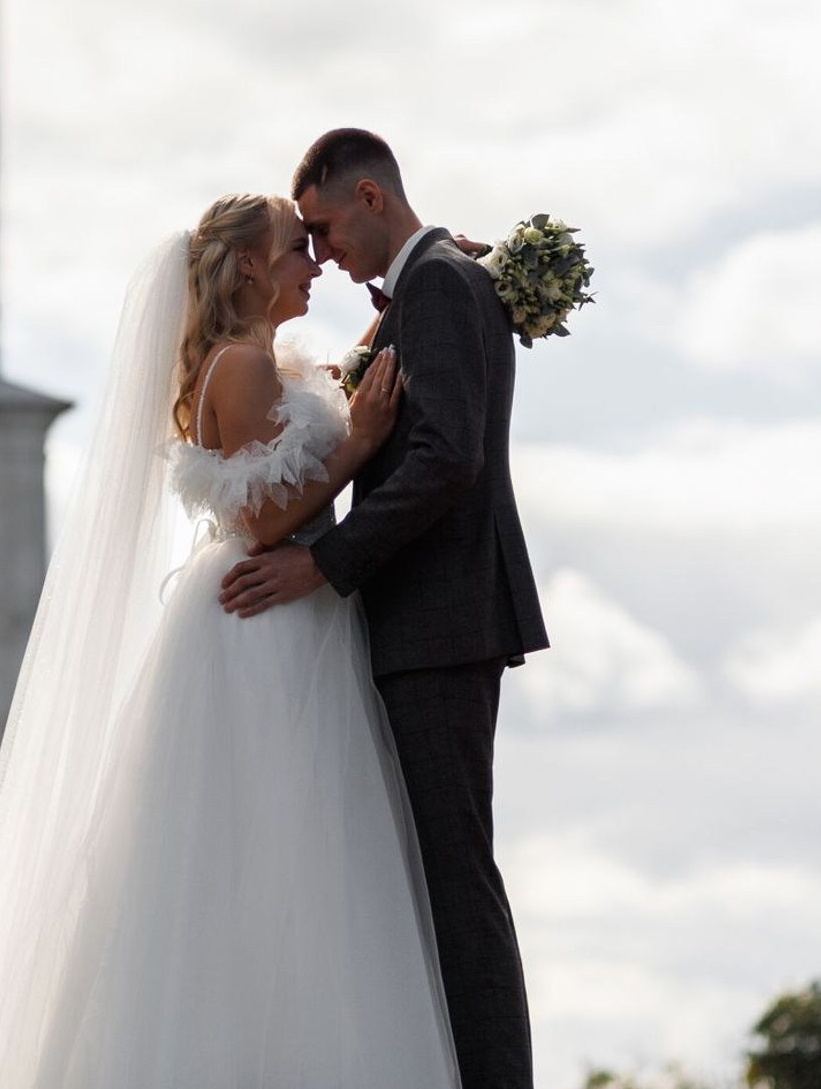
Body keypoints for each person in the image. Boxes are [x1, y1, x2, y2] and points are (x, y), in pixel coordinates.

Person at [0, 192, 462, 1089]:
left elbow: (329, 401)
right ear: (248, 266)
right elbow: (261, 518)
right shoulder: (238, 367)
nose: (312, 264)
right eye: (295, 250)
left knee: (296, 852)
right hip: (261, 618)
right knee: (269, 843)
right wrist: (360, 444)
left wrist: (437, 265)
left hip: (290, 614)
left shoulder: (264, 359)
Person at [221, 127, 551, 1089]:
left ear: (370, 198)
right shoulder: (431, 287)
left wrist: (323, 563)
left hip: (441, 621)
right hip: (428, 619)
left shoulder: (439, 284)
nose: (318, 253)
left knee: (456, 877)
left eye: (321, 229)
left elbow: (448, 455)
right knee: (434, 873)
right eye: (303, 243)